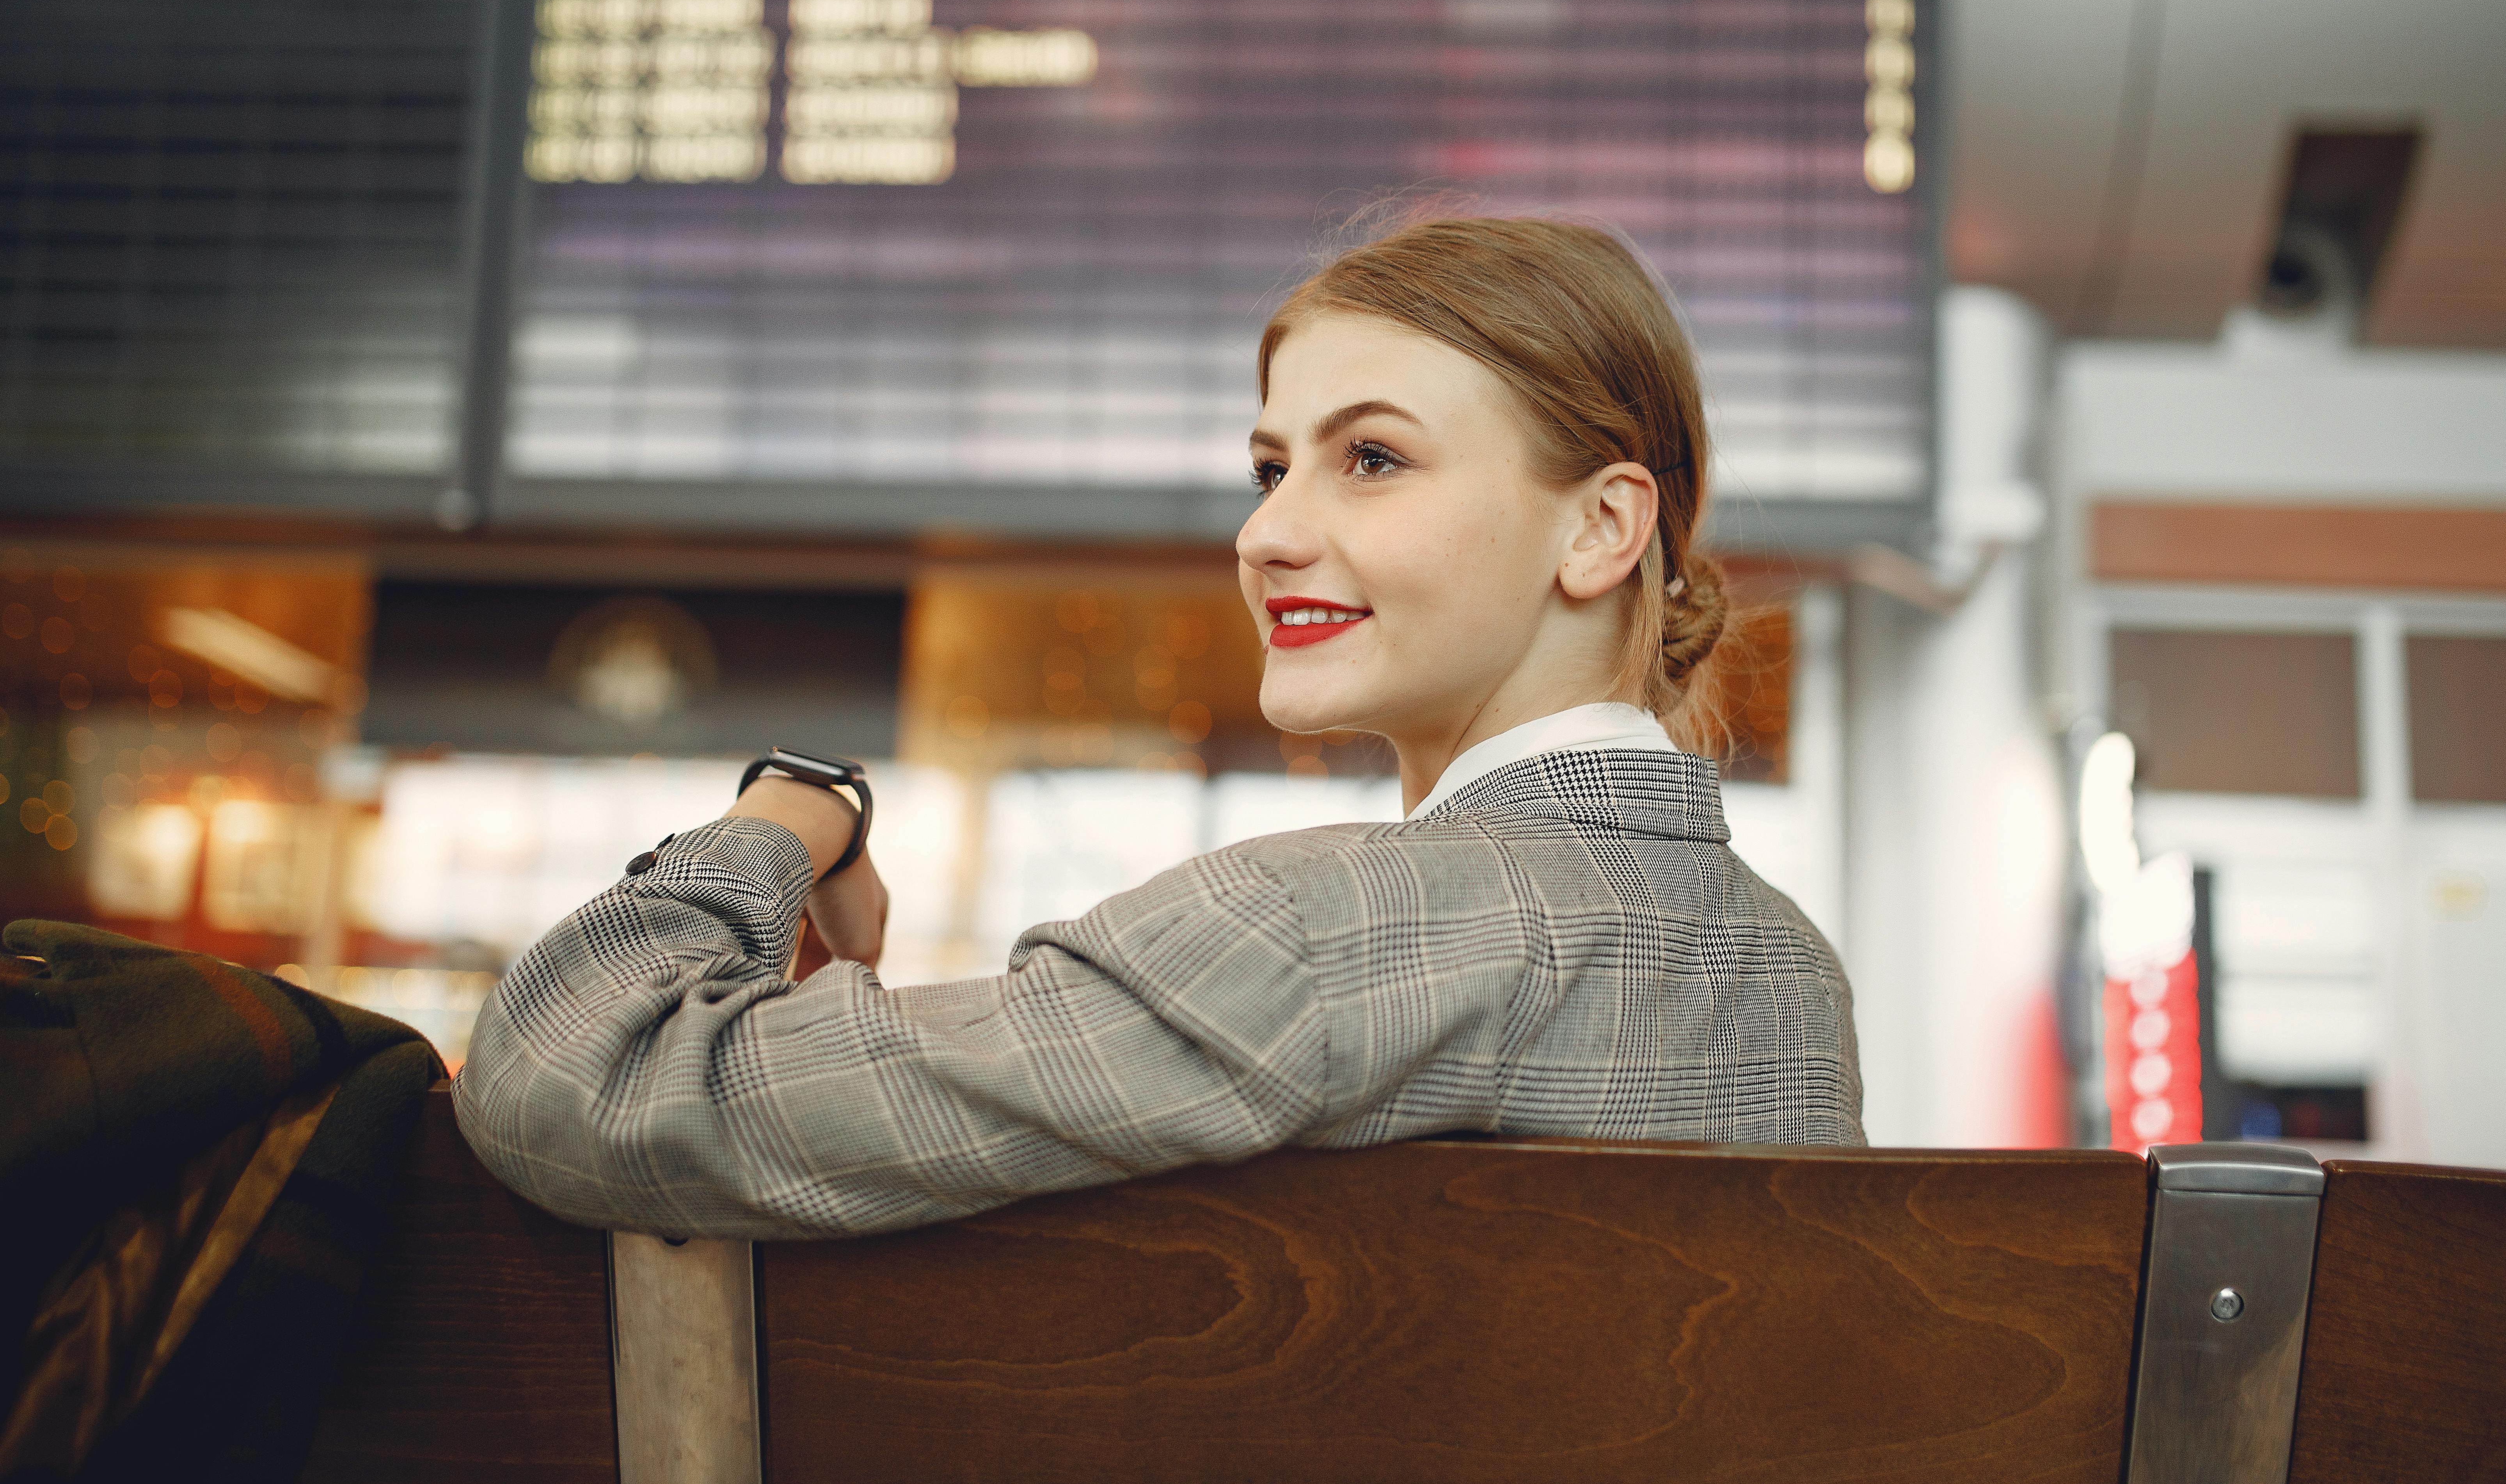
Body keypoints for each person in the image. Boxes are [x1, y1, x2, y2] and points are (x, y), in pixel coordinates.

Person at [454, 216, 1863, 1239]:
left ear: (1604, 526)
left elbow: (582, 1082)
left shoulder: (1322, 930)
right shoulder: (1794, 974)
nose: (1267, 533)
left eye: (1371, 459)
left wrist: (787, 814)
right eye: (1269, 467)